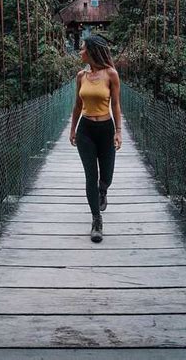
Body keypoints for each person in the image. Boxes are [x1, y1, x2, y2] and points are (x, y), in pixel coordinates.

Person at [69, 35, 122, 243]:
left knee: (106, 176)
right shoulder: (80, 76)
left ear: (91, 51)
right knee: (90, 176)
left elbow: (116, 104)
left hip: (106, 128)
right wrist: (73, 129)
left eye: (82, 49)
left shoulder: (111, 74)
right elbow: (77, 105)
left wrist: (118, 131)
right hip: (86, 130)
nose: (79, 52)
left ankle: (103, 190)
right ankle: (96, 220)